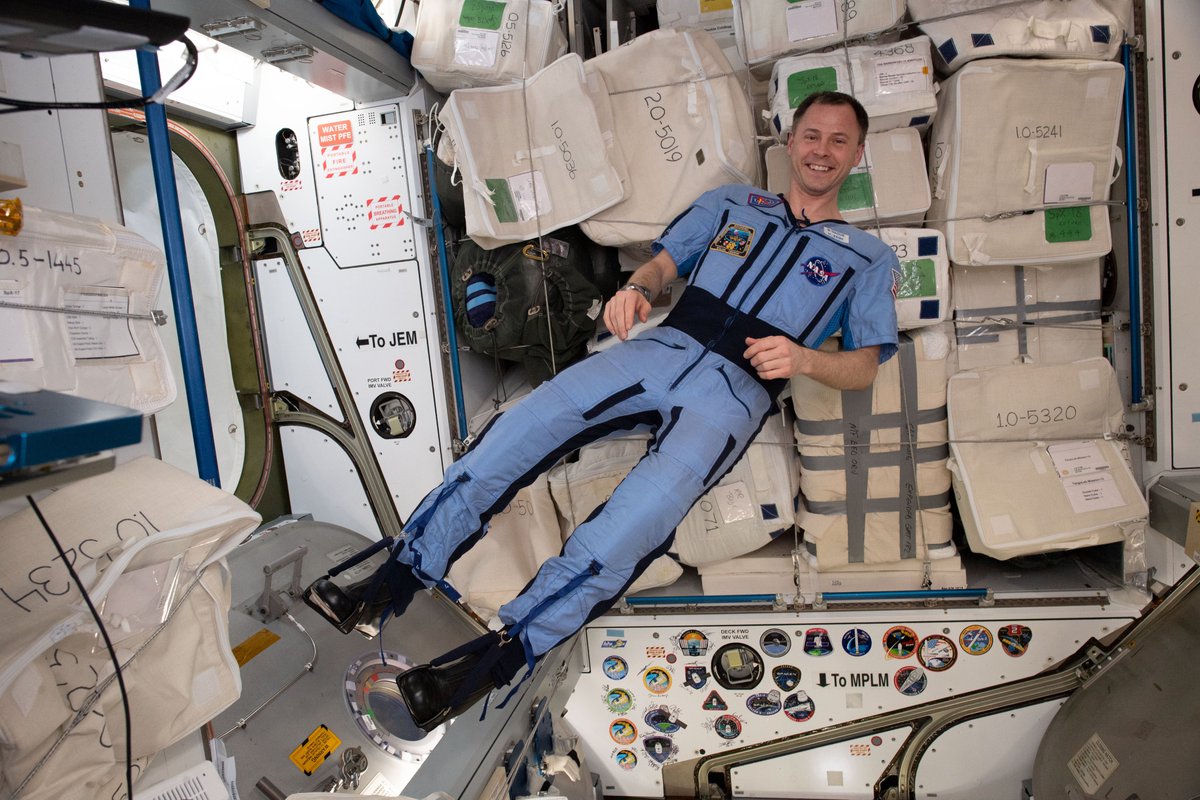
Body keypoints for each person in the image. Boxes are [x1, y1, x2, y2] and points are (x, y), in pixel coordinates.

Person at [303, 91, 900, 731]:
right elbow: (663, 265)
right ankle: (391, 580)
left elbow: (865, 365)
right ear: (791, 140)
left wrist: (805, 359)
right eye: (812, 135)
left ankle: (490, 661)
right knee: (517, 433)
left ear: (857, 154)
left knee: (629, 527)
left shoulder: (867, 258)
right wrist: (636, 290)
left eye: (839, 141)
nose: (822, 151)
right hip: (663, 348)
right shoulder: (735, 204)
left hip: (733, 394)